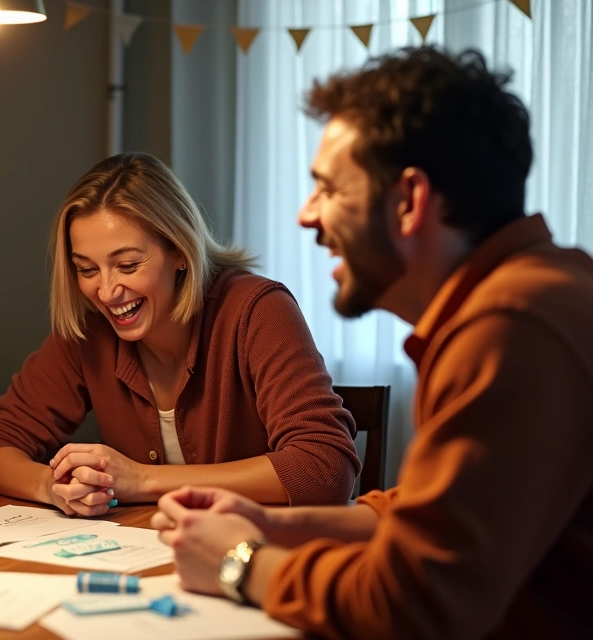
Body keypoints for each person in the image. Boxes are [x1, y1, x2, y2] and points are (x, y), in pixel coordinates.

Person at [152, 46, 593, 638]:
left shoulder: (510, 328)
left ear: (409, 201)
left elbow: (414, 604)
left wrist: (240, 564)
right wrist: (273, 524)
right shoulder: (540, 291)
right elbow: (428, 513)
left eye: (329, 189)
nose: (307, 217)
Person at [0, 152, 360, 517]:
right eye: (87, 269)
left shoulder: (257, 309)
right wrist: (51, 487)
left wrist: (141, 480)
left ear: (180, 252)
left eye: (127, 264)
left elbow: (325, 467)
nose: (105, 292)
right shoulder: (90, 333)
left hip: (261, 557)